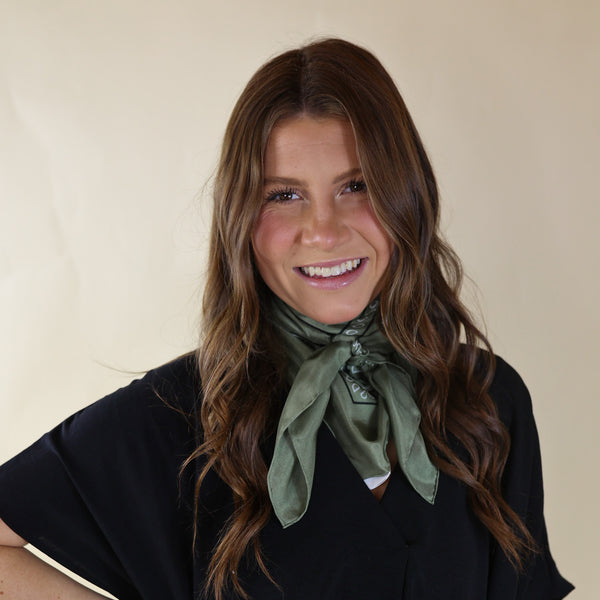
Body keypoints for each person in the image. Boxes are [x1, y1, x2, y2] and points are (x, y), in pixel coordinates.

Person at [0, 38, 573, 600]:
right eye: (284, 196)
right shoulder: (179, 417)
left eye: (357, 186)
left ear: (408, 196)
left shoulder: (488, 400)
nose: (323, 230)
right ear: (241, 218)